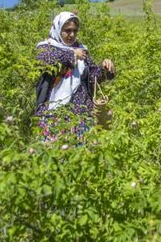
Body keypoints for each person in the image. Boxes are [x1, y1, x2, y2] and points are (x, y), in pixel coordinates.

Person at [35, 12, 115, 143]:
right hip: (53, 112)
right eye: (67, 31)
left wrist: (105, 69)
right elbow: (46, 61)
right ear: (58, 29)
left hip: (81, 111)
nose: (71, 35)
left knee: (82, 156)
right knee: (53, 153)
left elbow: (92, 76)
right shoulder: (45, 48)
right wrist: (72, 54)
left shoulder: (81, 50)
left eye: (75, 31)